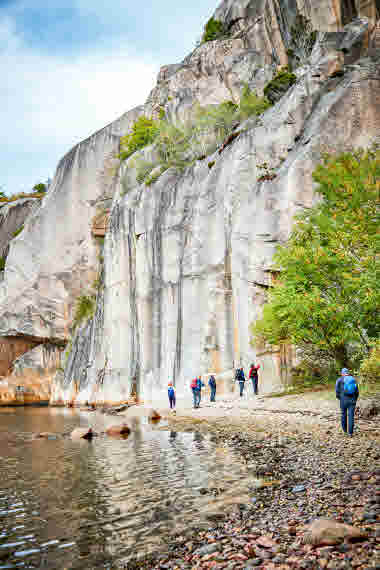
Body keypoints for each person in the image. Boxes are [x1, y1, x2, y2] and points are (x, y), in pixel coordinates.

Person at [336, 368, 359, 437]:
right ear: (348, 373)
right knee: (351, 416)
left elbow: (337, 392)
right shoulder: (353, 379)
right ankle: (350, 433)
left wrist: (340, 398)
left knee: (343, 414)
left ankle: (345, 431)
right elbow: (357, 391)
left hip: (343, 400)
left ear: (342, 373)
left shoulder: (339, 380)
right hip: (352, 401)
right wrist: (355, 399)